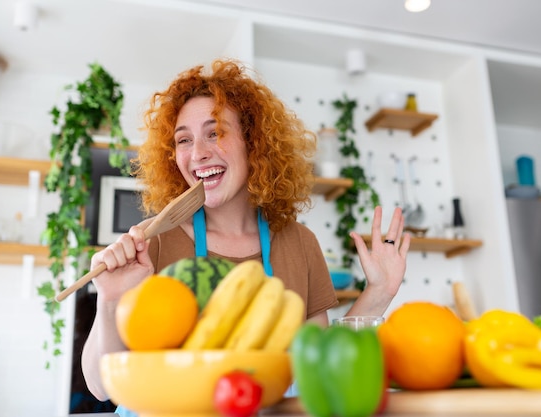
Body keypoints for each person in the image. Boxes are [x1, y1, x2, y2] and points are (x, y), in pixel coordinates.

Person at [81, 59, 410, 412]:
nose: (198, 153)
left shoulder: (299, 242)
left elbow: (318, 366)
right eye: (184, 140)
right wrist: (111, 299)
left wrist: (378, 292)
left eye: (215, 132)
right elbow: (102, 387)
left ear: (253, 142)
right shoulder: (152, 245)